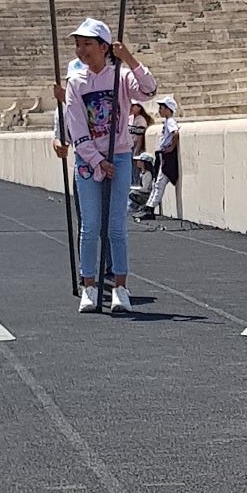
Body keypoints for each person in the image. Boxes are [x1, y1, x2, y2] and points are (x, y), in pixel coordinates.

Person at [64, 17, 157, 313]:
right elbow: (77, 128)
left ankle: (121, 287)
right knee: (90, 226)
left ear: (104, 47)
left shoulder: (121, 77)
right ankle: (88, 286)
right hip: (89, 159)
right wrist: (97, 161)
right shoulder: (75, 83)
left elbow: (150, 89)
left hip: (117, 155)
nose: (81, 49)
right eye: (78, 44)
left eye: (87, 44)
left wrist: (128, 56)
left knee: (116, 227)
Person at [53, 57, 115, 290]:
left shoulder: (102, 100)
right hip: (84, 165)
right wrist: (58, 144)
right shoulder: (63, 108)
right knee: (87, 221)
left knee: (109, 219)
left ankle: (111, 267)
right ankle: (86, 271)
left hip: (106, 161)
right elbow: (60, 134)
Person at [136, 96, 179, 220]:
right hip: (162, 154)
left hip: (166, 155)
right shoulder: (167, 121)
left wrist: (171, 147)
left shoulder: (170, 121)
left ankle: (150, 208)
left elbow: (174, 133)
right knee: (157, 183)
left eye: (162, 108)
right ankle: (149, 206)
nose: (160, 110)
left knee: (160, 182)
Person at [128, 103, 154, 186]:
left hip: (135, 146)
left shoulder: (141, 120)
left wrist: (136, 151)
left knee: (135, 169)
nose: (131, 107)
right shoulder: (130, 119)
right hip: (129, 145)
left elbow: (140, 137)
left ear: (139, 107)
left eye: (133, 105)